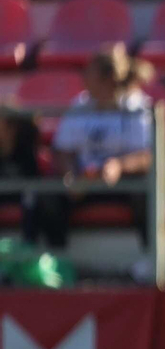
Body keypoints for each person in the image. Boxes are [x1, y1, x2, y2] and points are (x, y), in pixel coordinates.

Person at [52, 44, 153, 244]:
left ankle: (150, 257)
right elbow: (61, 150)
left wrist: (119, 166)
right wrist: (71, 175)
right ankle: (57, 260)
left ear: (108, 80)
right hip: (86, 182)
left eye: (90, 72)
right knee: (46, 197)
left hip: (124, 183)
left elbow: (147, 157)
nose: (84, 78)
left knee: (148, 195)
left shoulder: (137, 106)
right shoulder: (80, 105)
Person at [0, 108, 66, 249]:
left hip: (25, 195)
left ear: (12, 127)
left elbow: (32, 179)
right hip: (4, 194)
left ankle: (29, 249)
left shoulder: (26, 150)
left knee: (32, 198)